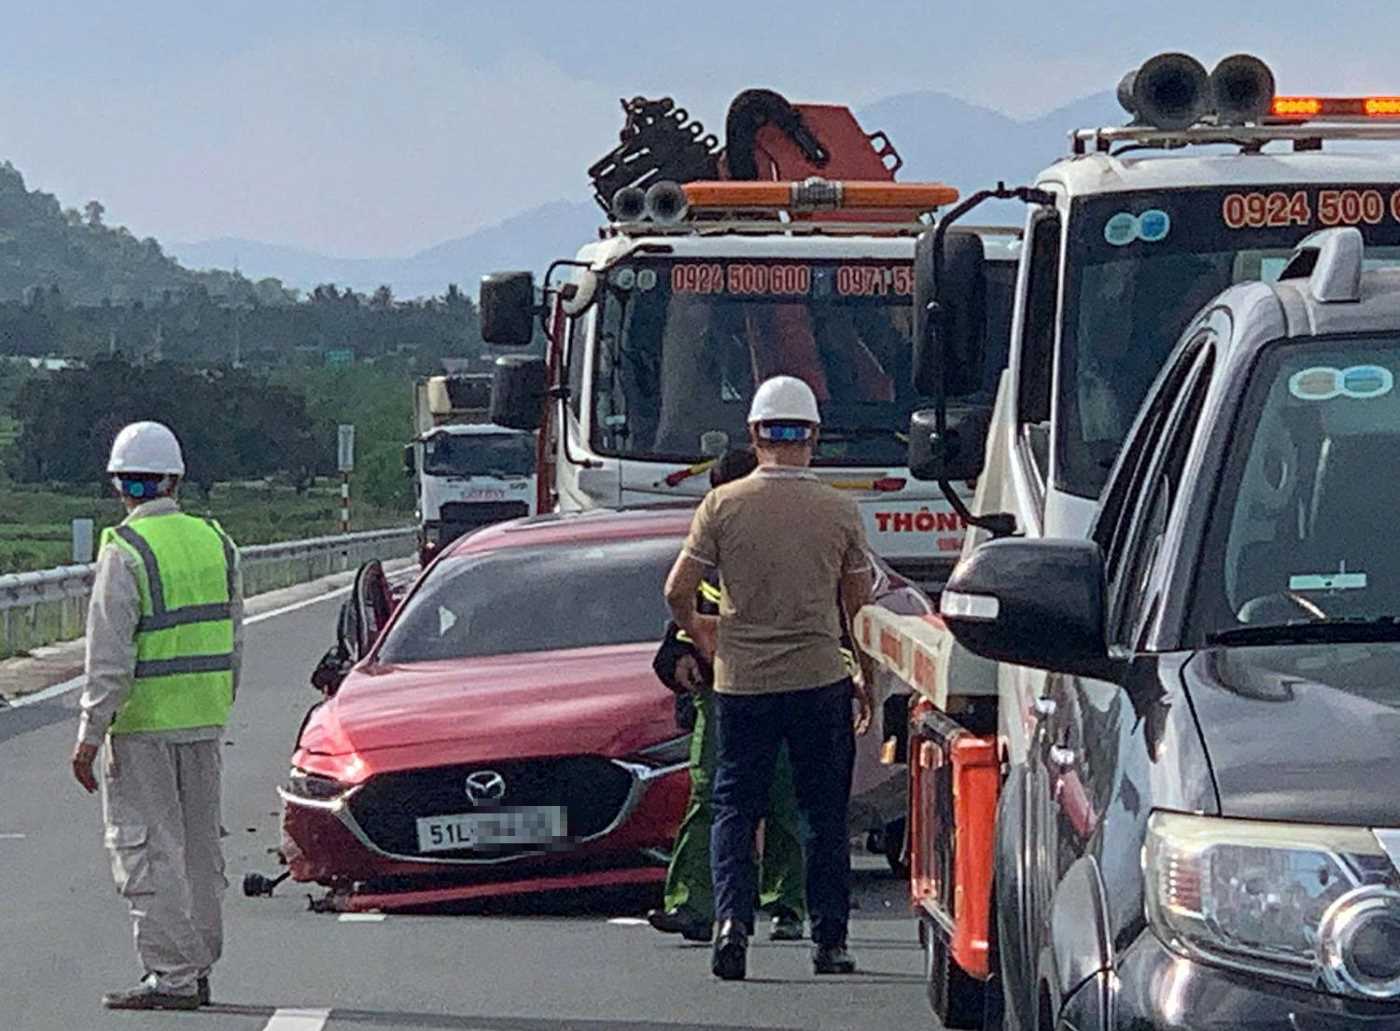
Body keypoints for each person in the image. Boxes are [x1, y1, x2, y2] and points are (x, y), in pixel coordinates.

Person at [664, 375, 876, 982]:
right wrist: (864, 679)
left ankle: (732, 925)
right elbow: (857, 610)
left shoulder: (723, 505)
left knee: (735, 807)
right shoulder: (838, 510)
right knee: (822, 815)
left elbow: (677, 590)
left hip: (743, 685)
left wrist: (705, 632)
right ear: (814, 437)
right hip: (816, 681)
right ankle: (829, 941)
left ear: (754, 434)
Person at [69, 421, 243, 1011]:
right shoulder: (217, 540)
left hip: (143, 725)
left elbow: (109, 658)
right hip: (204, 718)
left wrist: (90, 736)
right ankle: (197, 966)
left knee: (147, 848)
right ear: (176, 480)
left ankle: (172, 975)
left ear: (121, 486)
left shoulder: (126, 550)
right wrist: (219, 702)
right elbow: (234, 639)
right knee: (199, 850)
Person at [648, 446, 807, 944]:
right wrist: (679, 657)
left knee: (784, 795)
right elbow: (682, 612)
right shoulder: (708, 547)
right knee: (711, 795)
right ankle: (694, 904)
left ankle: (786, 903)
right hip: (721, 693)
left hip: (785, 684)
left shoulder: (796, 540)